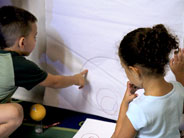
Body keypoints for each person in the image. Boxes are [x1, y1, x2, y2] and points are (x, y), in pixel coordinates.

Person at [0, 5, 88, 138]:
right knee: (15, 112)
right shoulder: (19, 66)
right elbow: (55, 82)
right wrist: (76, 79)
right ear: (22, 42)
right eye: (35, 37)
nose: (35, 40)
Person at [112, 24, 184, 138]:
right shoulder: (180, 89)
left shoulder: (138, 109)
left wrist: (125, 103)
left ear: (135, 71)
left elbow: (117, 136)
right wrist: (180, 74)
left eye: (124, 68)